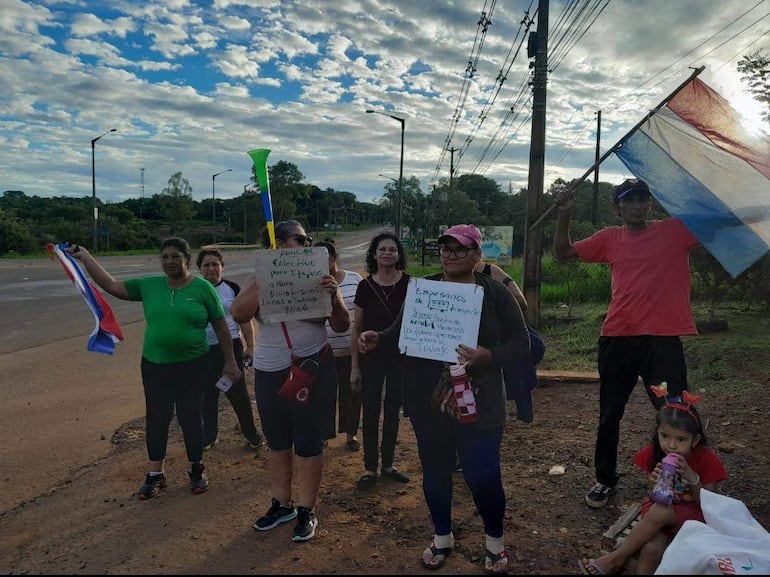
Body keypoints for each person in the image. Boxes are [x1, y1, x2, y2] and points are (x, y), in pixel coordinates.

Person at [357, 224, 530, 574]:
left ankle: (495, 542)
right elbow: (401, 330)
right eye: (446, 249)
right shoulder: (425, 289)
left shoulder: (494, 292)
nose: (451, 256)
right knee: (435, 469)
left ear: (477, 254)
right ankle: (441, 536)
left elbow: (521, 343)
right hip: (428, 398)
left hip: (479, 399)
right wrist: (378, 337)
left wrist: (488, 355)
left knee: (482, 474)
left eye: (461, 249)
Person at [554, 178, 699, 509]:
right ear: (617, 208)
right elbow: (563, 252)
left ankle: (675, 478)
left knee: (676, 414)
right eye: (628, 200)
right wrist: (565, 213)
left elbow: (717, 223)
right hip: (618, 339)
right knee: (610, 414)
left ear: (650, 203)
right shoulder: (610, 238)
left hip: (662, 341)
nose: (637, 206)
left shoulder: (674, 231)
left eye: (642, 199)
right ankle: (605, 479)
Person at [67, 238, 241, 499]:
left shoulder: (202, 288)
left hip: (193, 365)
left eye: (175, 256)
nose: (169, 261)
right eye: (165, 257)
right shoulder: (149, 286)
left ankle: (196, 467)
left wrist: (230, 361)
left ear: (187, 259)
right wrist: (86, 257)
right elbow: (111, 285)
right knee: (157, 418)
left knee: (191, 417)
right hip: (155, 366)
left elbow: (221, 327)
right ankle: (155, 473)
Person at [231, 220, 350, 543]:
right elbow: (239, 313)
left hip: (313, 365)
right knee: (278, 441)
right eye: (301, 238)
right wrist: (265, 278)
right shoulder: (257, 276)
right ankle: (281, 503)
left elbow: (341, 324)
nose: (308, 243)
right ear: (280, 243)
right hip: (270, 369)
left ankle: (306, 509)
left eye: (308, 239)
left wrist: (335, 296)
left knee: (309, 441)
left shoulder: (319, 275)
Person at [578, 392, 727, 575]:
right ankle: (617, 561)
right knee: (651, 549)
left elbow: (710, 505)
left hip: (693, 516)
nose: (671, 445)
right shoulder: (655, 453)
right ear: (658, 432)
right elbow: (652, 494)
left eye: (681, 439)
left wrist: (692, 477)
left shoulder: (706, 458)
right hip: (660, 515)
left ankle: (615, 559)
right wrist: (654, 483)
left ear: (695, 440)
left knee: (660, 511)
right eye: (665, 436)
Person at [350, 232, 411, 491]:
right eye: (382, 249)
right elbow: (357, 328)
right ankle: (369, 467)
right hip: (371, 358)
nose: (387, 253)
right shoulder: (364, 286)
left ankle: (388, 464)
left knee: (393, 411)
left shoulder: (410, 284)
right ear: (374, 255)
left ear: (399, 255)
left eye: (392, 249)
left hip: (400, 358)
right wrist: (354, 367)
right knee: (371, 411)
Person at [196, 248, 262, 451]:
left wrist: (250, 346)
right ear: (199, 269)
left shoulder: (232, 288)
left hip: (231, 348)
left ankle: (251, 434)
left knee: (238, 394)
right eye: (206, 265)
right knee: (207, 395)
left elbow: (244, 319)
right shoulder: (194, 289)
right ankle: (209, 436)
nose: (211, 268)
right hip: (203, 349)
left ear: (222, 267)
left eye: (215, 264)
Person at [473, 260, 539, 425]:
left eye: (463, 249)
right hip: (475, 338)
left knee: (518, 370)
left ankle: (524, 416)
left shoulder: (492, 271)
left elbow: (521, 301)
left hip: (503, 335)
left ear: (477, 253)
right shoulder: (447, 279)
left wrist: (497, 306)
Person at [314, 239, 364, 451]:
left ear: (334, 258)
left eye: (325, 257)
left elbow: (363, 311)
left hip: (350, 351)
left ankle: (351, 434)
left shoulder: (354, 279)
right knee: (323, 395)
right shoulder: (311, 284)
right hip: (322, 351)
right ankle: (324, 435)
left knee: (351, 394)